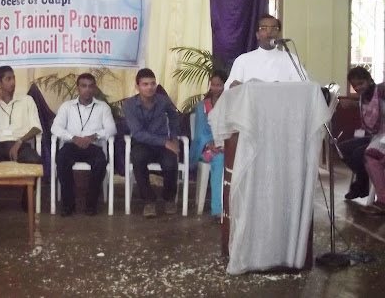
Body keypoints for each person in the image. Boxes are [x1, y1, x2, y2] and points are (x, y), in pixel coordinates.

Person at [0, 66, 42, 213]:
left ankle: (27, 199)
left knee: (35, 161)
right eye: (8, 79)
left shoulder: (26, 100)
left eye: (13, 78)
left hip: (20, 143)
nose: (13, 82)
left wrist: (20, 142)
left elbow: (36, 127)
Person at [51, 73, 117, 216]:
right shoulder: (67, 107)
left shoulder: (102, 107)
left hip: (93, 145)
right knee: (62, 158)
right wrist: (73, 137)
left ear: (95, 88)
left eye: (90, 86)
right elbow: (55, 128)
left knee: (100, 161)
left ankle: (91, 204)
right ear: (77, 88)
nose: (87, 89)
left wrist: (93, 137)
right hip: (72, 144)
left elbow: (112, 129)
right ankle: (68, 205)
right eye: (83, 86)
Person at [122, 68, 180, 218]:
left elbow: (175, 117)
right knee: (138, 158)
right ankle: (148, 201)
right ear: (137, 86)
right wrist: (164, 142)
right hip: (142, 143)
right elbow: (137, 133)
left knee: (171, 163)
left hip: (163, 144)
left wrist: (174, 137)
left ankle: (169, 199)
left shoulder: (163, 101)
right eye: (145, 84)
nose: (150, 87)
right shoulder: (129, 104)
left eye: (152, 83)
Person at [224, 14, 308, 89]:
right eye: (263, 28)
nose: (269, 32)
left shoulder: (291, 59)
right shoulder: (242, 60)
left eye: (274, 28)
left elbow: (305, 86)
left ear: (279, 34)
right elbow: (229, 89)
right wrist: (233, 87)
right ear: (257, 35)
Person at [338, 66, 380, 200]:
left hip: (383, 139)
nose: (358, 88)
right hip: (375, 137)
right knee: (342, 148)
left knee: (358, 153)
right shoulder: (363, 97)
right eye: (354, 86)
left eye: (361, 83)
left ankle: (362, 184)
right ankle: (364, 180)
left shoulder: (380, 93)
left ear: (369, 79)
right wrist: (354, 104)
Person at [189, 70, 227, 218]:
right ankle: (217, 209)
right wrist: (210, 144)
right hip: (205, 147)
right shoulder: (202, 106)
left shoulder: (231, 104)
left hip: (226, 145)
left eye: (219, 85)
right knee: (219, 159)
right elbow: (200, 132)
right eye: (213, 85)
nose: (216, 88)